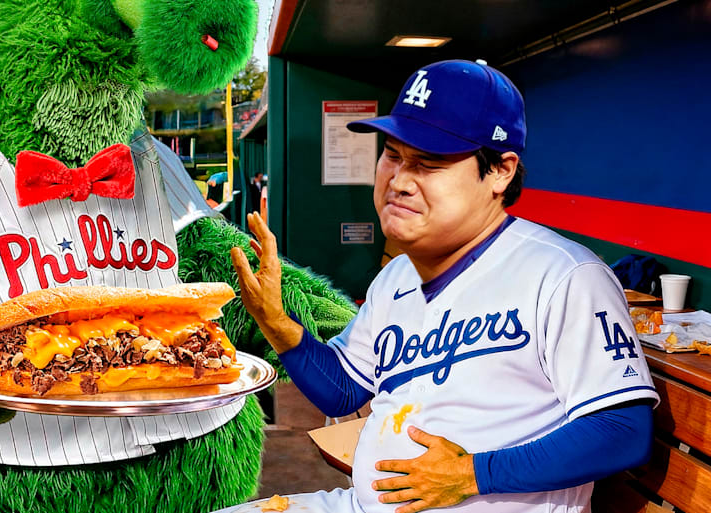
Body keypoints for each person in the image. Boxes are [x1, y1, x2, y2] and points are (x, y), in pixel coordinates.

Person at [222, 59, 659, 513]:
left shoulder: (562, 275)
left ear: (500, 172)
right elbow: (343, 390)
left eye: (429, 162)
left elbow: (623, 431)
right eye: (393, 153)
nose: (400, 181)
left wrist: (474, 474)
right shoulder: (397, 275)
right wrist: (275, 320)